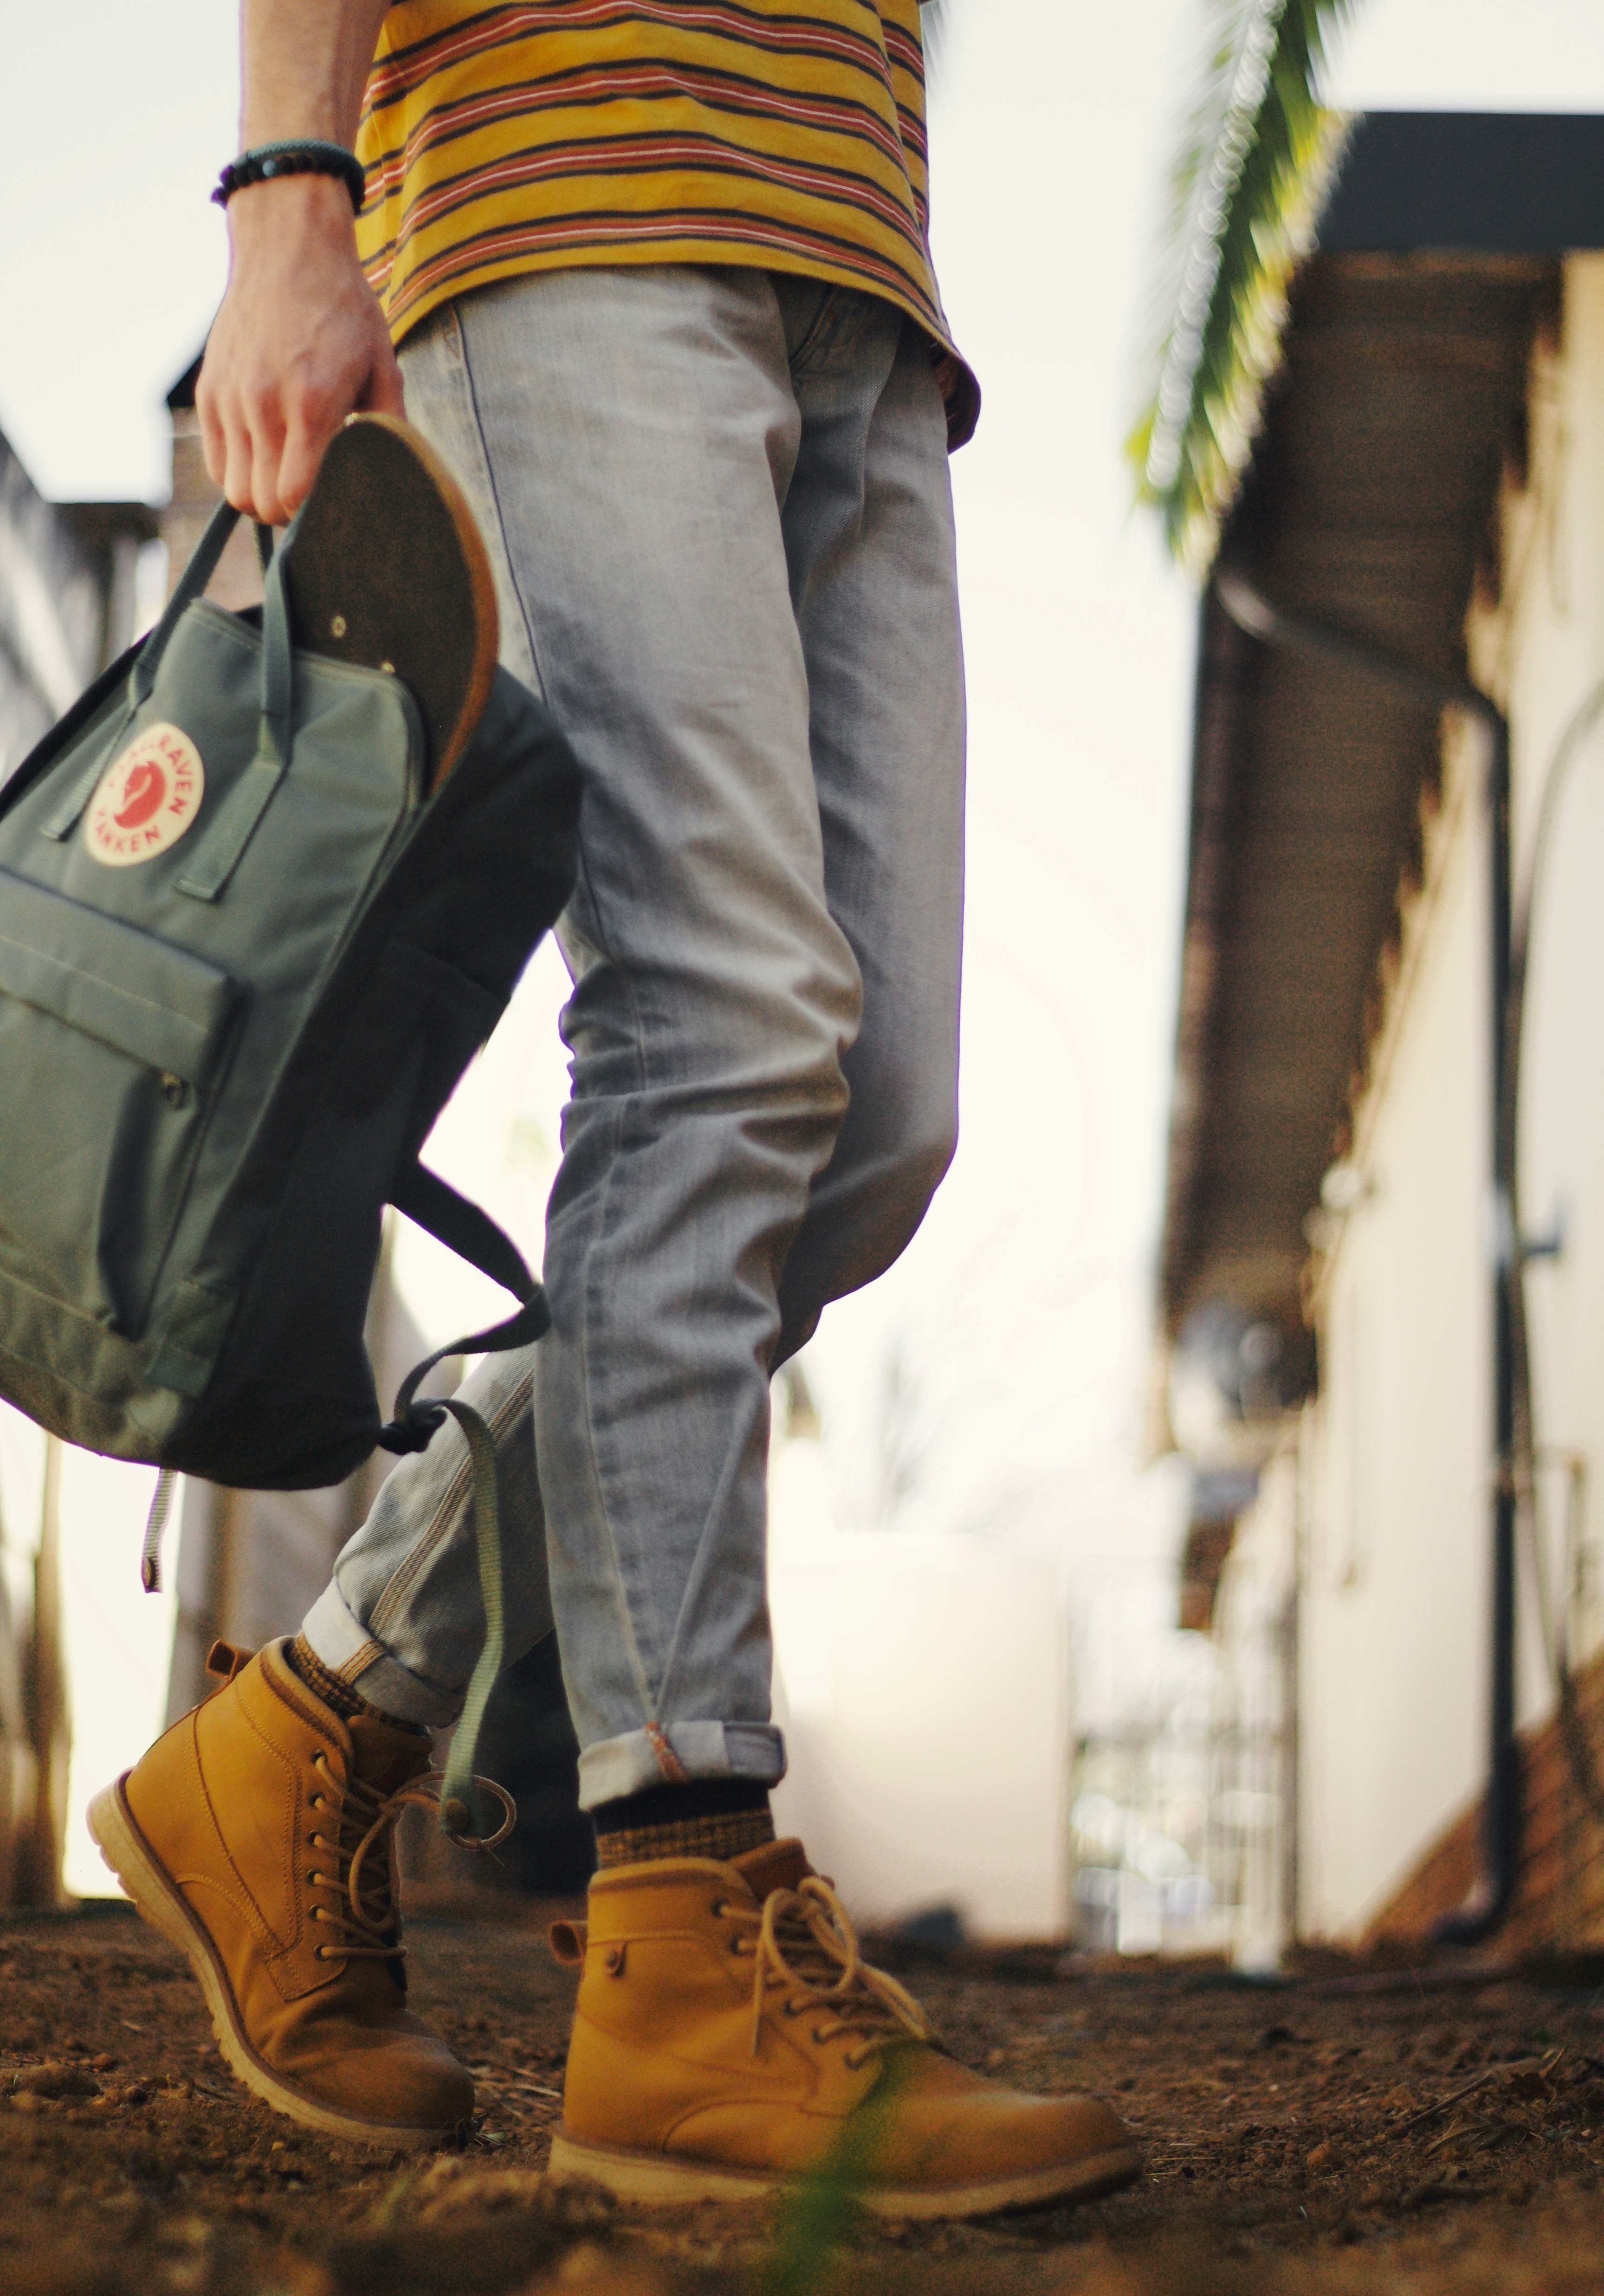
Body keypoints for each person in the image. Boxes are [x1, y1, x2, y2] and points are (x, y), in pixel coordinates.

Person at [93, 0, 1139, 2212]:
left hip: (858, 265)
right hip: (567, 202)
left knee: (865, 1117)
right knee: (720, 1022)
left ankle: (316, 1722)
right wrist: (289, 193)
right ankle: (681, 1904)